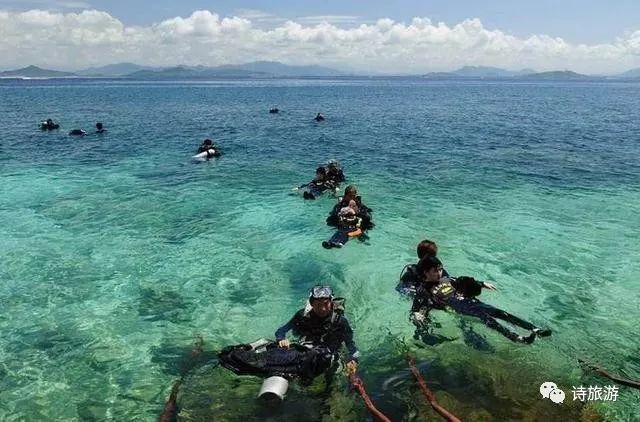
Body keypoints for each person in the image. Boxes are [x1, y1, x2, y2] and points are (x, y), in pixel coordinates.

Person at [411, 256, 552, 344]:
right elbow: (416, 308)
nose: (439, 273)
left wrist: (482, 284)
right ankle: (518, 338)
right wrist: (418, 315)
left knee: (501, 313)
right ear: (425, 272)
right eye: (435, 271)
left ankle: (534, 329)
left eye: (440, 269)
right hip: (460, 310)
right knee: (489, 320)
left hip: (472, 303)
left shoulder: (447, 279)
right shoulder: (423, 290)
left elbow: (464, 282)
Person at [276, 285, 359, 373]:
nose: (323, 309)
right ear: (312, 304)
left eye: (326, 304)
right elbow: (281, 331)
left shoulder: (340, 321)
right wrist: (282, 339)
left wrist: (353, 360)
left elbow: (351, 346)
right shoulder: (302, 316)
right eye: (318, 304)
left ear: (331, 303)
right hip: (307, 348)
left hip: (329, 353)